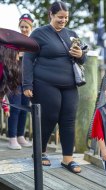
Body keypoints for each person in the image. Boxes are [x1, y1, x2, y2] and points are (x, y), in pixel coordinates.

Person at [22, 1, 87, 171]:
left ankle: (68, 158)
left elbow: (82, 60)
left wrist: (80, 54)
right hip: (44, 82)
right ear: (51, 14)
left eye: (66, 17)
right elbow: (28, 59)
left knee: (68, 119)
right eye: (60, 17)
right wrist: (27, 84)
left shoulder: (71, 34)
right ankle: (40, 152)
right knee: (49, 116)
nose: (63, 20)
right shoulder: (39, 33)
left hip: (70, 84)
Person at [7, 13, 34, 150]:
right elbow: (7, 60)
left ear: (31, 27)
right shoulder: (14, 42)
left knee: (25, 109)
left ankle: (20, 136)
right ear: (19, 26)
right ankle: (12, 138)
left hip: (27, 82)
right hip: (14, 82)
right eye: (22, 26)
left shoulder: (32, 43)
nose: (24, 29)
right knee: (15, 108)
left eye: (26, 27)